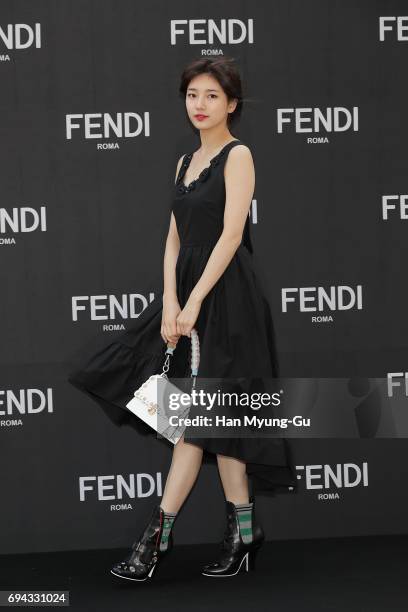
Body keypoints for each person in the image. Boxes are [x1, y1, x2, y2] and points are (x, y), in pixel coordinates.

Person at [67, 56, 297, 581]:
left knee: (201, 420)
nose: (200, 105)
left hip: (228, 296)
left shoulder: (239, 156)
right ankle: (244, 533)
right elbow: (173, 239)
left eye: (212, 96)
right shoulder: (183, 161)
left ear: (231, 104)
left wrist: (195, 303)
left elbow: (232, 236)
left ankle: (155, 539)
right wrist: (171, 300)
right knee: (220, 419)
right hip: (187, 293)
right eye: (193, 94)